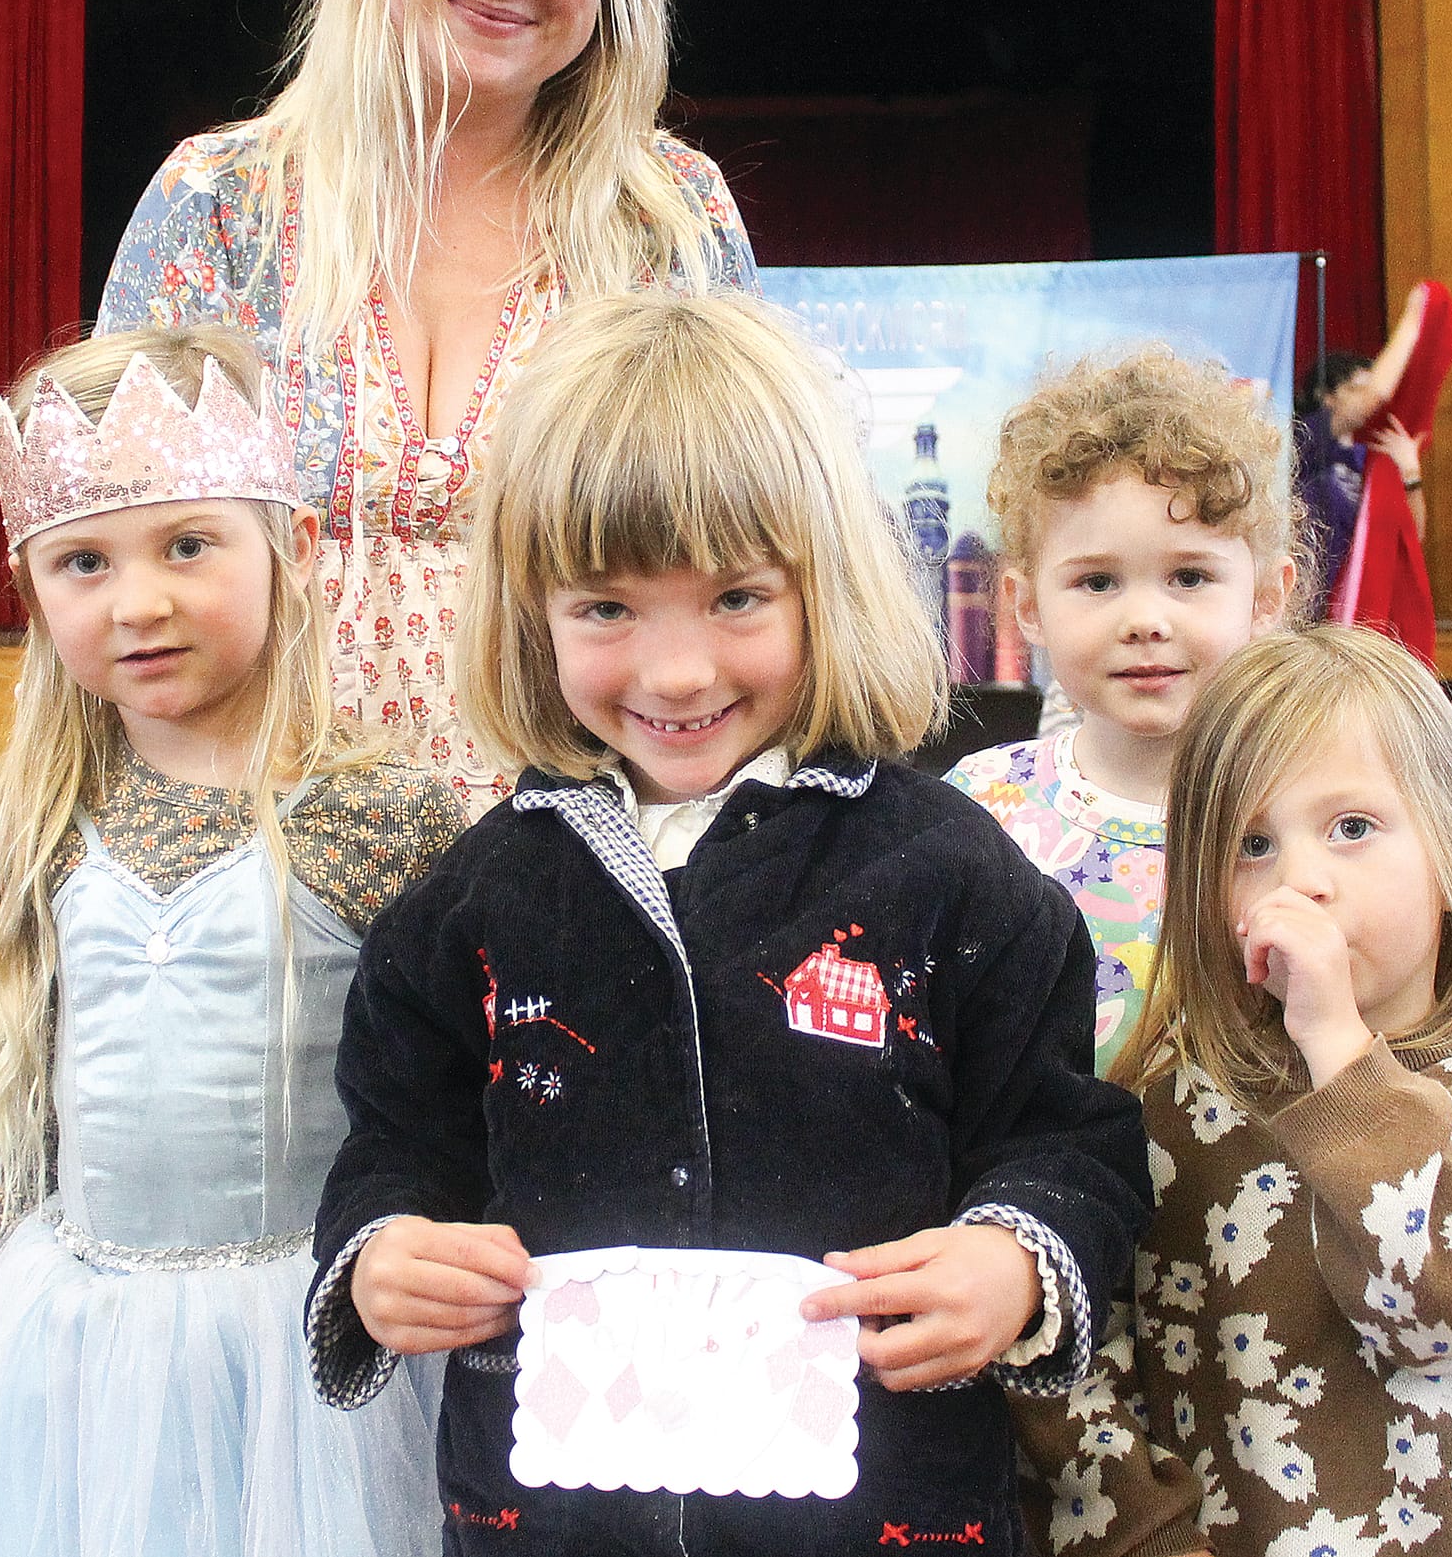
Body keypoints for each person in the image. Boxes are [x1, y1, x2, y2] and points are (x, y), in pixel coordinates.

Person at [305, 290, 1152, 1554]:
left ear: (827, 582)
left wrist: (1012, 1262)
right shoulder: (465, 904)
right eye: (605, 607)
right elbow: (394, 1143)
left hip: (888, 1508)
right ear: (528, 612)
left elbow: (1064, 1142)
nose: (677, 670)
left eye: (737, 598)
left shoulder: (950, 874)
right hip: (552, 1515)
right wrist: (383, 1251)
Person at [93, 0, 759, 820]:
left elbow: (754, 563)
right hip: (260, 851)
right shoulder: (217, 204)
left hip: (595, 854)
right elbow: (109, 560)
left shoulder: (671, 222)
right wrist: (46, 798)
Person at [0, 328, 466, 1557]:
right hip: (84, 1337)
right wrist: (4, 1316)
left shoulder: (381, 814)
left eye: (189, 545)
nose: (139, 599)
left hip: (318, 1340)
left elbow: (447, 1104)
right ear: (33, 590)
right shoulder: (40, 828)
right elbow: (16, 1117)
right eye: (84, 561)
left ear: (296, 548)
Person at [1013, 625, 1452, 1557]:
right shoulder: (1173, 1107)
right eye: (1252, 842)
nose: (1301, 880)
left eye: (1352, 828)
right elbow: (1084, 1353)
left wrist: (1338, 1050)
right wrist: (1145, 1528)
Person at [945, 347, 1298, 1074]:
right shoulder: (974, 812)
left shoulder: (1308, 812)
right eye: (1099, 581)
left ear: (1265, 597)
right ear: (1027, 606)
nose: (1145, 619)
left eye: (1189, 576)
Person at [1294, 279, 1433, 606]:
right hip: (1315, 606)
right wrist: (1413, 321)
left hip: (1364, 604)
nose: (1369, 399)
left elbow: (1412, 537)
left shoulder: (1366, 456)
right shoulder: (1306, 437)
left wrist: (1411, 473)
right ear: (1325, 395)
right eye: (1356, 389)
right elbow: (1377, 395)